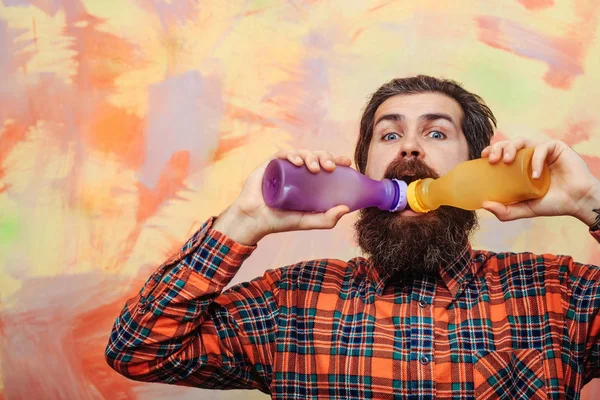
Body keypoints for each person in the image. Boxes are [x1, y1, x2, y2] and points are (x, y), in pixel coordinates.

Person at [105, 75, 600, 399]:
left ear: (477, 166)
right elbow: (139, 351)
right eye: (388, 136)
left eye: (435, 133)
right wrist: (243, 219)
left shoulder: (558, 291)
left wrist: (588, 203)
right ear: (363, 169)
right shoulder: (291, 301)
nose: (408, 146)